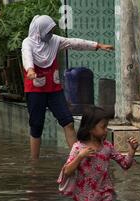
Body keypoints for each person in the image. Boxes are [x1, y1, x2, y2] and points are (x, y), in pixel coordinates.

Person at [21, 15, 114, 160]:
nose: (50, 34)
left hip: (54, 90)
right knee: (36, 125)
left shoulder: (55, 41)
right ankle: (35, 163)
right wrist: (30, 69)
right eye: (48, 31)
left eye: (52, 30)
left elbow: (75, 43)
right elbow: (27, 56)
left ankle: (77, 158)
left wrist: (97, 45)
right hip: (35, 90)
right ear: (40, 31)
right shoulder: (28, 43)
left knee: (68, 122)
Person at [59, 106, 139, 201]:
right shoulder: (78, 147)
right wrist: (80, 157)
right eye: (103, 127)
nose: (106, 130)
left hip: (104, 196)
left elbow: (125, 165)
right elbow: (66, 172)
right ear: (90, 128)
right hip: (84, 199)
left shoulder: (107, 147)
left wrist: (132, 150)